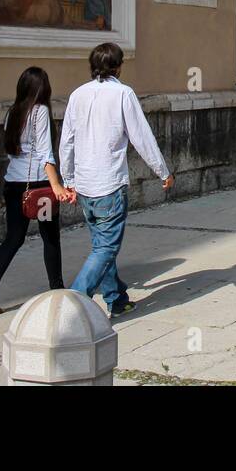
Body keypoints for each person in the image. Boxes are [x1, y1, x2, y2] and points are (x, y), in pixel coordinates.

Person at [60, 43, 174, 316]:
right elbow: (141, 137)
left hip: (85, 185)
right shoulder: (123, 93)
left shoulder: (78, 95)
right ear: (118, 66)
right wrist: (163, 171)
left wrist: (69, 179)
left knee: (102, 246)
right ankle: (75, 301)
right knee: (105, 249)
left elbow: (67, 140)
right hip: (109, 184)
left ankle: (116, 298)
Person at [0, 67, 68, 315]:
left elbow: (13, 151)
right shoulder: (39, 111)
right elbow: (44, 153)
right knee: (50, 237)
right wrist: (56, 185)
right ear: (44, 89)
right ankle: (57, 290)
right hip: (38, 186)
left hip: (14, 184)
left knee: (13, 238)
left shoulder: (13, 112)